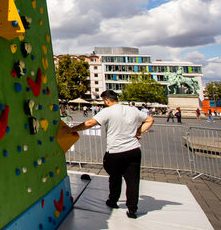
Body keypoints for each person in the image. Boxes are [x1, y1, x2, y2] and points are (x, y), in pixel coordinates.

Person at [65, 89, 154, 219]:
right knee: (133, 181)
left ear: (106, 100)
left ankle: (113, 201)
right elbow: (150, 120)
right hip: (134, 150)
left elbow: (89, 123)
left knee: (115, 177)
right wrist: (138, 132)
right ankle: (132, 209)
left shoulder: (107, 111)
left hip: (115, 151)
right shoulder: (132, 110)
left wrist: (72, 129)